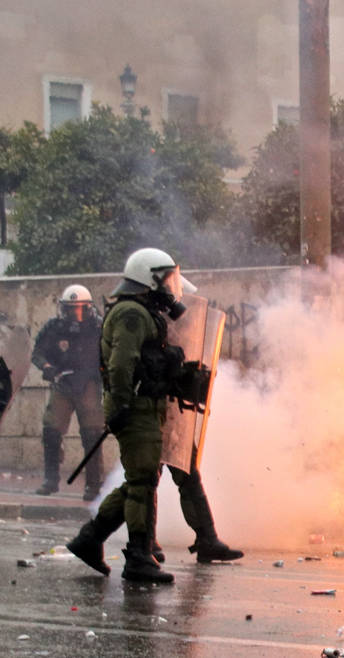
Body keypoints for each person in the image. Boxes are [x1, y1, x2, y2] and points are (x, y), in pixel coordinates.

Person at [66, 248, 192, 584]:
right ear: (147, 277)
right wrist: (121, 406)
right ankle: (138, 557)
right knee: (141, 483)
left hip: (143, 406)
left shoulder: (142, 311)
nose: (169, 286)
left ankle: (90, 539)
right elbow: (122, 363)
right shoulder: (132, 314)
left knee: (141, 481)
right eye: (164, 278)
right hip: (134, 407)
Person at [31, 285, 104, 501]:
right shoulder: (54, 327)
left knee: (92, 435)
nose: (75, 314)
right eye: (71, 309)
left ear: (89, 308)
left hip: (89, 383)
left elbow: (110, 352)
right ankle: (51, 480)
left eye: (80, 308)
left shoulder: (98, 327)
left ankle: (93, 486)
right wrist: (47, 368)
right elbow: (38, 353)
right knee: (51, 430)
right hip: (62, 380)